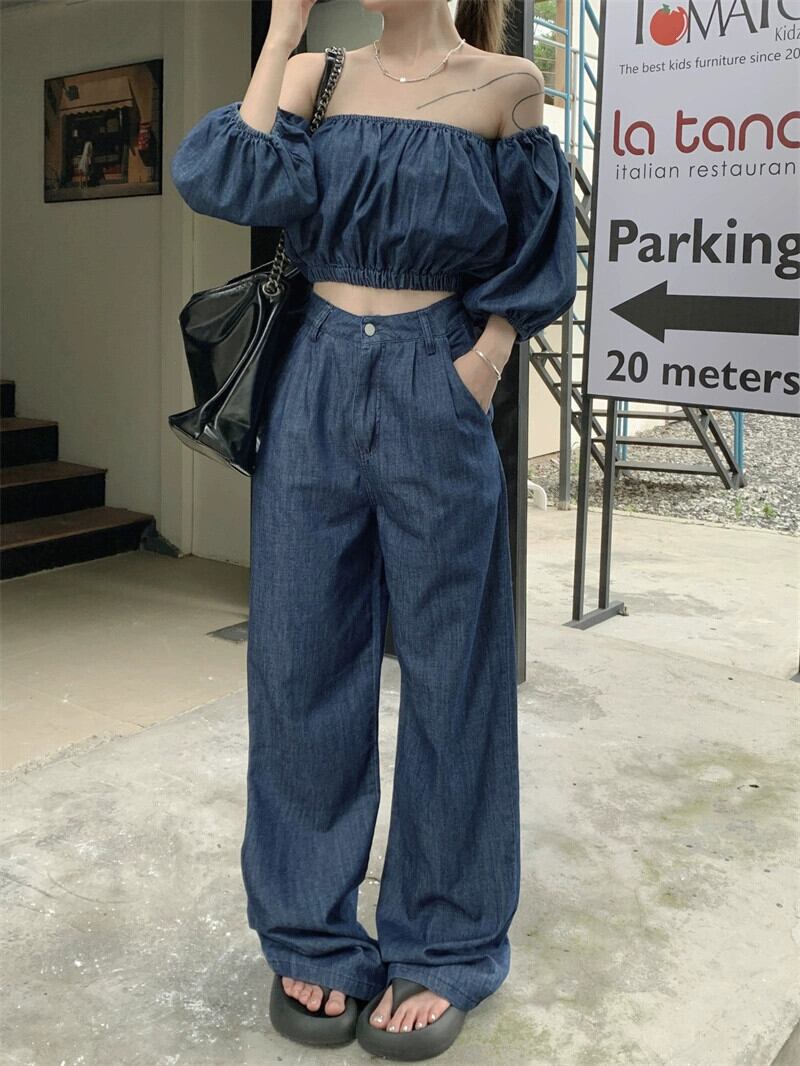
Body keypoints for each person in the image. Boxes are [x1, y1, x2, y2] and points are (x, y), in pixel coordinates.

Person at [170, 0, 577, 1058]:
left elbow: (541, 246)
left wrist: (483, 361)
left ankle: (445, 943)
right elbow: (223, 180)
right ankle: (310, 932)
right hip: (312, 375)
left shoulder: (507, 87)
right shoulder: (316, 77)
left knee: (455, 668)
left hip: (436, 375)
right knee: (300, 658)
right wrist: (280, 34)